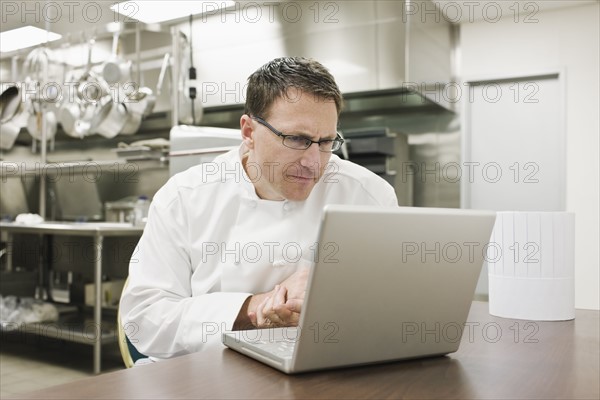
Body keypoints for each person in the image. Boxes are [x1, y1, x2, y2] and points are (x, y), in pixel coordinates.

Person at [120, 57, 398, 360]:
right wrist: (254, 308)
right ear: (249, 132)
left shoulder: (368, 196)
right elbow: (144, 320)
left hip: (322, 367)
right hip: (204, 375)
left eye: (326, 142)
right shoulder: (184, 198)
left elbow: (392, 306)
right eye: (297, 139)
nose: (314, 162)